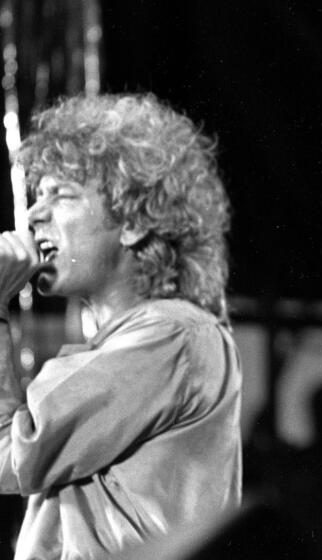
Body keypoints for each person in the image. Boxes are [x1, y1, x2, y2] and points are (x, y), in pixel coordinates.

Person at [0, 93, 242, 558]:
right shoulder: (141, 342)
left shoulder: (172, 334)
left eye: (62, 195)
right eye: (38, 195)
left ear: (133, 221)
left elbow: (13, 454)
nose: (34, 214)